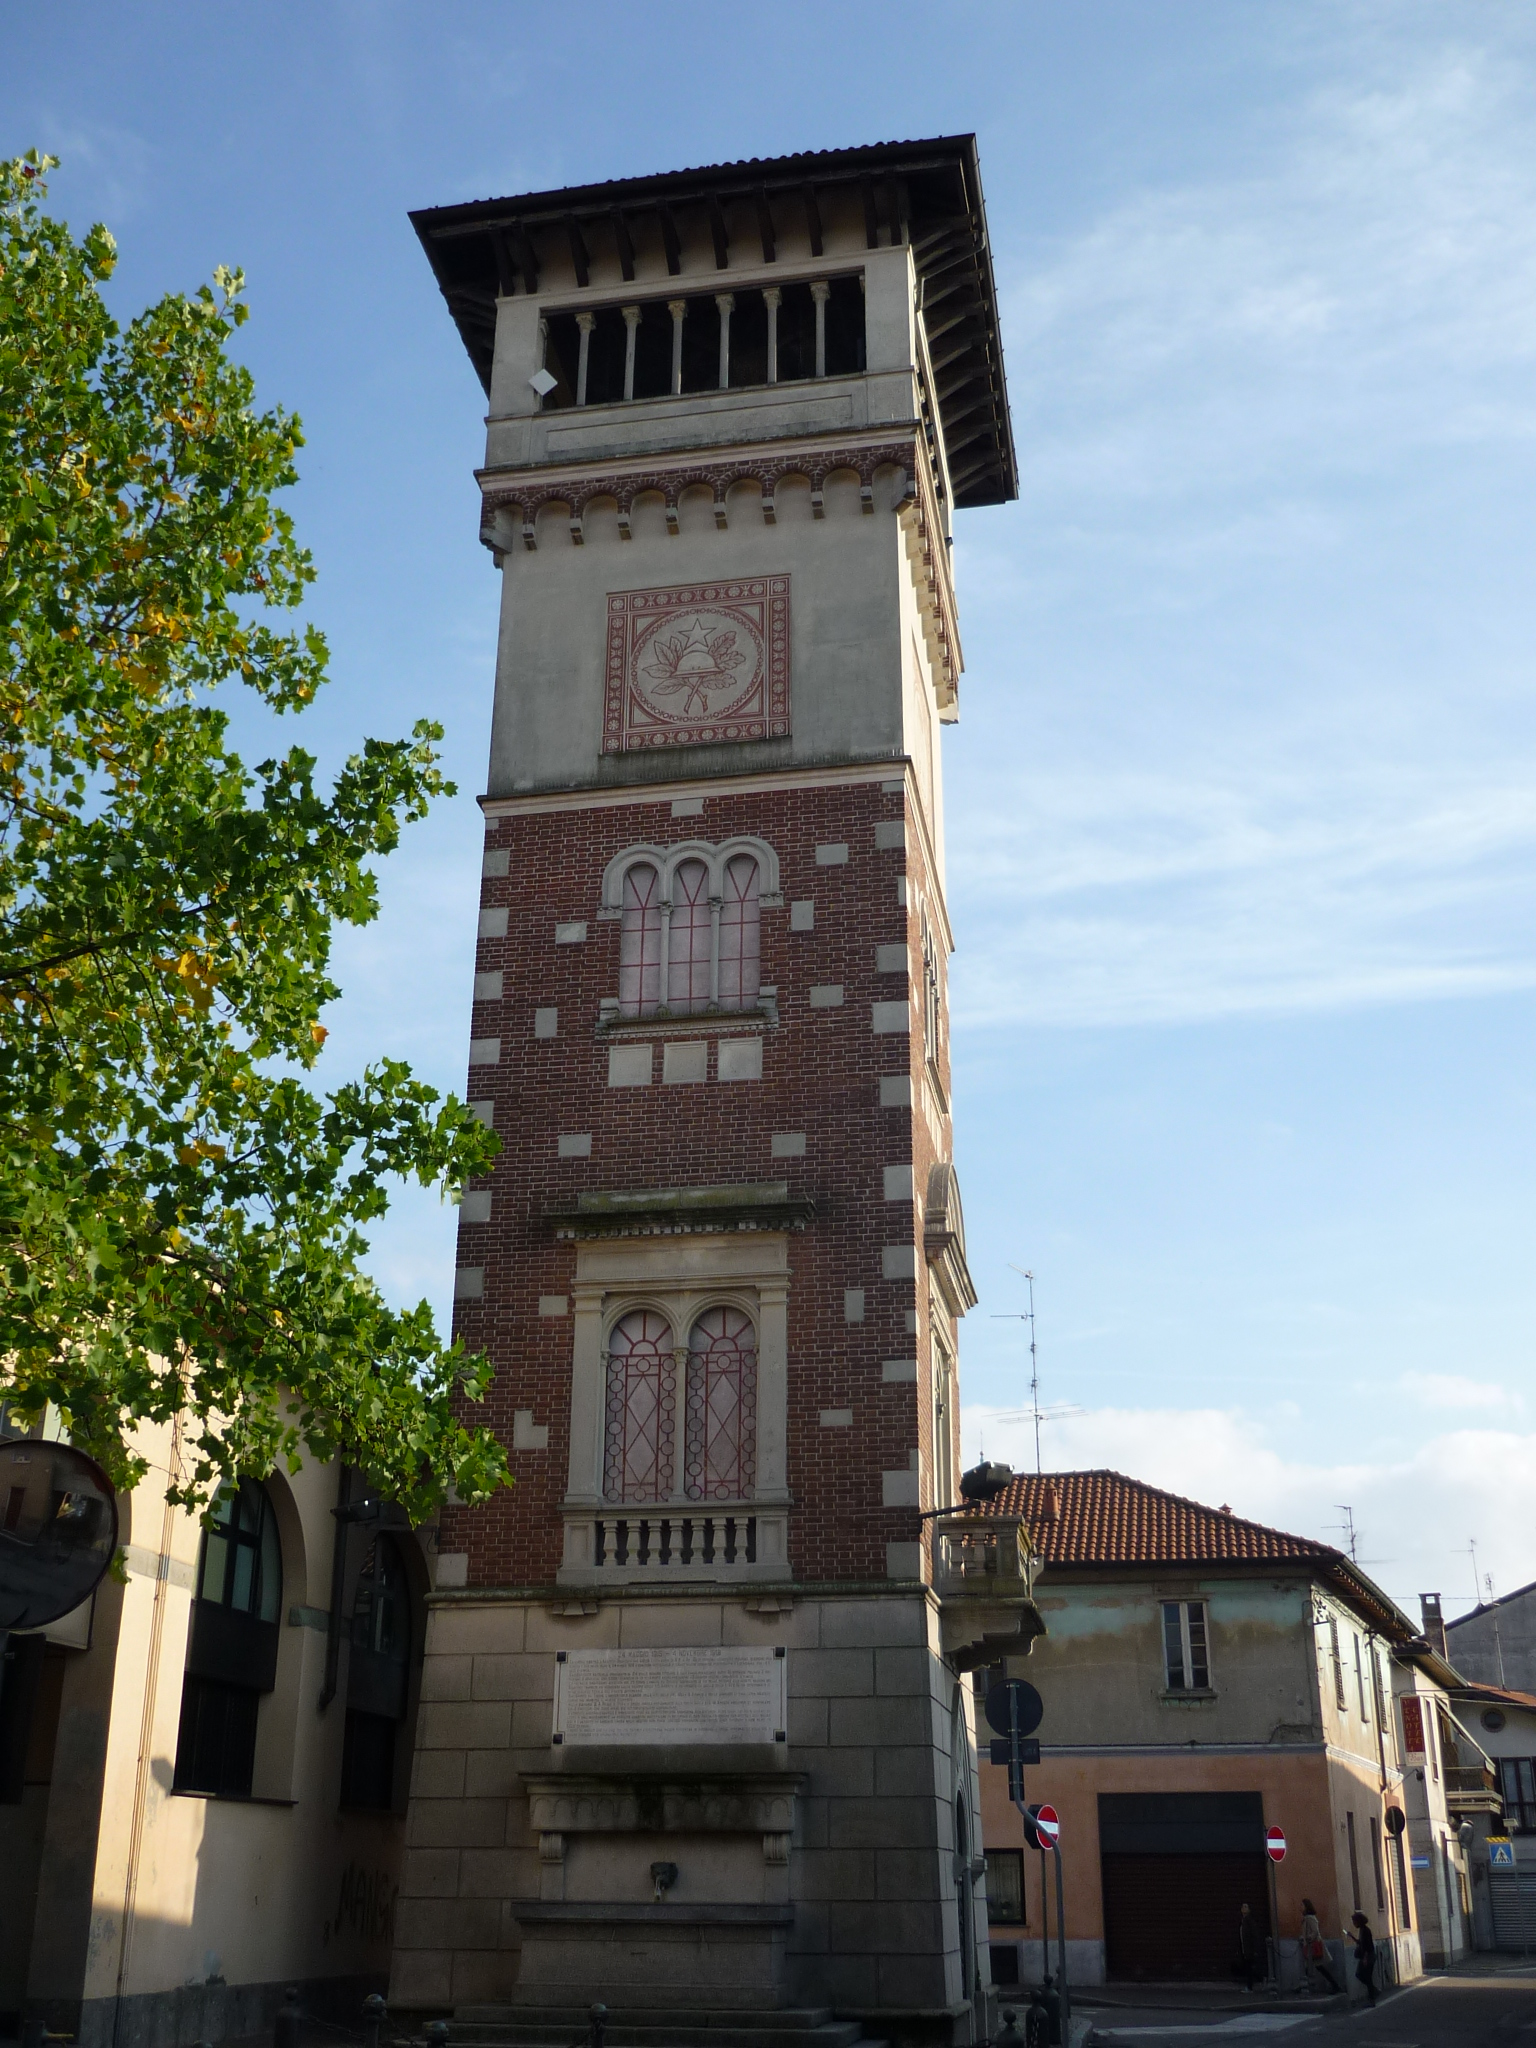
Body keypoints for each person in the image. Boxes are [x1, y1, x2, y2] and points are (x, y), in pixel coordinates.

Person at [1299, 1898, 1342, 1995]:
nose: (1300, 1907)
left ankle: (1335, 1985)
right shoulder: (1307, 1918)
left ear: (1306, 1906)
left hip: (1313, 1947)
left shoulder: (1310, 1918)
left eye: (1302, 1905)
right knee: (1312, 1967)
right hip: (1310, 1946)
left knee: (1318, 1967)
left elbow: (1315, 1932)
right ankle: (1303, 1985)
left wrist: (1308, 1938)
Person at [1347, 1910, 1377, 2006]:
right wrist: (1352, 1937)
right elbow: (1362, 1943)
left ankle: (1372, 1998)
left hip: (1368, 1956)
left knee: (1366, 1977)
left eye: (1354, 1921)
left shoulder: (1365, 1931)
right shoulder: (1362, 1930)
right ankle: (1373, 1993)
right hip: (1367, 1956)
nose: (1354, 1924)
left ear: (1358, 1921)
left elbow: (1367, 1945)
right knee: (1363, 1976)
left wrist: (1365, 1958)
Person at [1238, 1902, 1264, 1991]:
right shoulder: (1244, 1920)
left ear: (1249, 1909)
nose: (1243, 1908)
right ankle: (1250, 1986)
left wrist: (1254, 1949)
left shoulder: (1249, 1921)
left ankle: (1250, 1987)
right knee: (1248, 1967)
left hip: (1249, 1949)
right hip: (1246, 1948)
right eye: (1242, 1907)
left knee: (1250, 1968)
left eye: (1245, 1907)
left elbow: (1254, 1935)